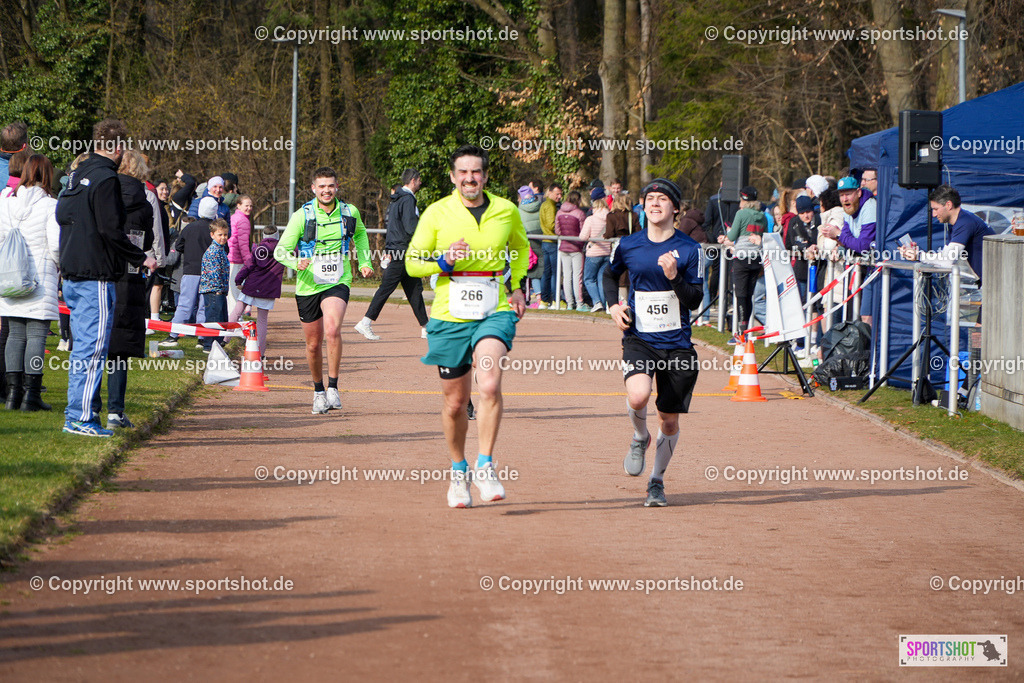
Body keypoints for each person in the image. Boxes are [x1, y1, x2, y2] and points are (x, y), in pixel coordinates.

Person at [405, 144, 528, 508]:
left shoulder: (506, 210)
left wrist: (518, 284)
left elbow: (521, 249)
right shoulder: (436, 212)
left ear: (485, 176)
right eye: (463, 172)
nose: (469, 178)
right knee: (456, 402)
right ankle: (459, 472)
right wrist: (442, 262)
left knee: (488, 383)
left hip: (495, 308)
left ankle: (485, 464)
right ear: (453, 176)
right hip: (449, 314)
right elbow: (412, 263)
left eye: (476, 172)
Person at [603, 178, 703, 507]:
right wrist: (613, 306)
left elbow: (694, 300)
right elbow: (607, 274)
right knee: (638, 395)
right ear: (642, 206)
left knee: (669, 419)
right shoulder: (630, 245)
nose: (655, 204)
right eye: (649, 199)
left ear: (675, 207)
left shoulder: (690, 249)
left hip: (677, 345)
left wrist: (675, 277)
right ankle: (639, 436)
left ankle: (656, 481)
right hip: (639, 338)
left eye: (662, 199)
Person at [56, 119, 157, 437]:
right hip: (95, 274)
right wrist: (140, 257)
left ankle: (76, 413)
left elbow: (61, 216)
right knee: (93, 347)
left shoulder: (78, 174)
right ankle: (81, 418)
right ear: (117, 147)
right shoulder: (105, 178)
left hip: (72, 271)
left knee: (82, 347)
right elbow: (110, 230)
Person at [275, 167, 372, 414]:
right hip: (308, 284)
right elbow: (280, 250)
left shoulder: (349, 212)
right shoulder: (301, 215)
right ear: (313, 189)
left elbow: (360, 235)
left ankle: (333, 388)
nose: (326, 190)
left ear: (337, 187)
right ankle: (318, 391)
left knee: (332, 329)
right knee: (312, 343)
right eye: (322, 186)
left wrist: (364, 262)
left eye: (330, 186)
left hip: (337, 280)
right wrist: (296, 263)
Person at [92, 149, 155, 428]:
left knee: (95, 347)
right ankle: (116, 411)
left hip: (103, 272)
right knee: (119, 351)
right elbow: (149, 239)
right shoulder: (145, 203)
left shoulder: (105, 190)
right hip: (130, 276)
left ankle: (91, 407)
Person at [0, 154, 60, 411]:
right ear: (47, 176)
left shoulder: (5, 204)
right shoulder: (50, 205)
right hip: (39, 277)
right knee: (36, 335)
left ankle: (13, 395)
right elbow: (56, 246)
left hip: (10, 276)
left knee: (14, 333)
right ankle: (31, 394)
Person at [354, 168, 429, 340]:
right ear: (413, 180)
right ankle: (365, 322)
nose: (420, 183)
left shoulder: (396, 200)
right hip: (402, 252)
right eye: (419, 180)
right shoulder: (408, 199)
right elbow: (410, 227)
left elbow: (392, 227)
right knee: (386, 289)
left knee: (414, 289)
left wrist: (389, 249)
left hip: (397, 250)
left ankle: (426, 327)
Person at [898, 184, 994, 285]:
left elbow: (947, 261)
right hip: (991, 281)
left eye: (936, 209)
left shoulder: (965, 222)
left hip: (995, 282)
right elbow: (945, 257)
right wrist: (918, 253)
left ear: (948, 205)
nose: (934, 214)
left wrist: (919, 255)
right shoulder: (960, 222)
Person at [160, 200, 217, 347]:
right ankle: (202, 338)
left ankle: (173, 336)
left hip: (190, 271)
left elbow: (179, 246)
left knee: (185, 305)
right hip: (209, 273)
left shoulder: (190, 228)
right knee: (203, 306)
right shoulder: (215, 230)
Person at [717, 186, 766, 340]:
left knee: (740, 295)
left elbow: (732, 235)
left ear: (744, 200)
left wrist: (727, 238)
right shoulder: (762, 216)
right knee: (749, 295)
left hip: (742, 258)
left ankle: (741, 332)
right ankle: (744, 331)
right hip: (756, 258)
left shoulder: (742, 213)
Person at [232, 225, 285, 360]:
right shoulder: (283, 250)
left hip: (251, 285)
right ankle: (260, 353)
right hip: (268, 290)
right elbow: (296, 251)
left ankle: (224, 339)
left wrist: (238, 280)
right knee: (262, 321)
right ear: (277, 235)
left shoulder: (257, 249)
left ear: (263, 235)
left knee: (237, 311)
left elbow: (248, 266)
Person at [198, 220, 231, 353]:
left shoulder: (221, 250)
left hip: (221, 291)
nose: (223, 237)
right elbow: (214, 274)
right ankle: (209, 346)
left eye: (225, 234)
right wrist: (218, 290)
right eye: (220, 235)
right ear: (212, 235)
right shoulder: (213, 251)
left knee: (222, 319)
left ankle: (217, 346)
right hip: (213, 291)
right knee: (213, 318)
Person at [580, 187, 611, 312]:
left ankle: (597, 302)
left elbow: (583, 236)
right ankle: (602, 303)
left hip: (593, 253)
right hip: (607, 251)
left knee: (588, 279)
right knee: (601, 279)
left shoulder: (590, 219)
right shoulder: (610, 218)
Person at [555, 190, 586, 310]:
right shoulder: (580, 213)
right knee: (577, 276)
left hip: (563, 246)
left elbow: (557, 231)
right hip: (576, 248)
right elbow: (583, 232)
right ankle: (579, 303)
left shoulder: (559, 212)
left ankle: (569, 303)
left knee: (567, 276)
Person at [517, 185, 544, 306]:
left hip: (528, 240)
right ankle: (544, 297)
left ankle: (536, 297)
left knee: (532, 270)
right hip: (542, 238)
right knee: (543, 269)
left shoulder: (519, 210)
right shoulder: (540, 206)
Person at [228, 194, 254, 318]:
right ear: (238, 205)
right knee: (236, 292)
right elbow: (243, 244)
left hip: (230, 257)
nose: (249, 208)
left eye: (250, 206)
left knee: (231, 291)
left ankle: (231, 319)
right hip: (236, 259)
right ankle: (237, 321)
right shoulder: (243, 220)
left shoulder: (233, 217)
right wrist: (248, 261)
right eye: (246, 205)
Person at [538, 183, 562, 308]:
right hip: (551, 242)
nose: (559, 196)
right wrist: (562, 230)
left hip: (545, 241)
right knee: (554, 273)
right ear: (550, 192)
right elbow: (551, 225)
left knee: (546, 273)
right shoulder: (551, 206)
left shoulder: (544, 204)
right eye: (557, 194)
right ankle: (554, 300)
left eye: (560, 194)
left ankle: (544, 300)